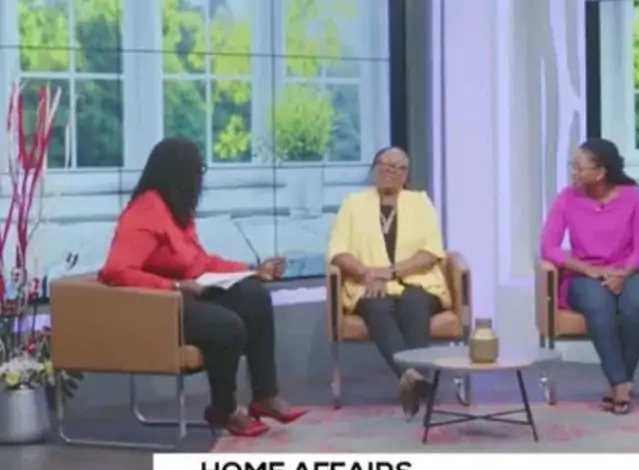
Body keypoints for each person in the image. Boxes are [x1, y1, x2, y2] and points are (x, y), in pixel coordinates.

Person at [98, 137, 308, 438]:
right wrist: (172, 285)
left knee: (255, 297)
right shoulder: (144, 213)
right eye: (198, 171)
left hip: (186, 297)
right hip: (156, 307)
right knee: (227, 325)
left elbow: (200, 262)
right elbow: (116, 271)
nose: (200, 180)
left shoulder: (176, 213)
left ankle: (265, 396)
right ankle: (223, 410)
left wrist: (252, 271)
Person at [326, 146, 449, 419]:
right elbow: (338, 251)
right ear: (373, 170)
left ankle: (411, 380)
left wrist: (390, 273)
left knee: (414, 302)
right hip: (366, 283)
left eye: (396, 167)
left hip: (418, 281)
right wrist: (367, 274)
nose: (388, 170)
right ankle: (413, 377)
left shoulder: (420, 202)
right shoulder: (353, 204)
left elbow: (431, 252)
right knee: (377, 304)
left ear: (406, 174)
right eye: (383, 164)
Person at [540, 139, 639, 415]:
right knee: (599, 304)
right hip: (584, 276)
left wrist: (623, 274)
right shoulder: (567, 198)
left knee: (637, 304)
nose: (573, 173)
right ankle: (620, 383)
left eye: (578, 168)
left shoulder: (632, 197)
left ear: (600, 172)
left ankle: (619, 382)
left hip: (631, 272)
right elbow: (549, 248)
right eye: (572, 167)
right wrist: (587, 269)